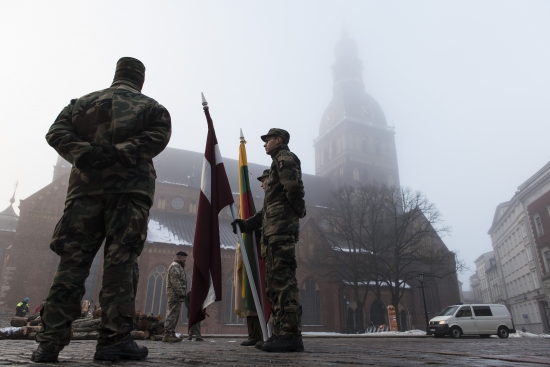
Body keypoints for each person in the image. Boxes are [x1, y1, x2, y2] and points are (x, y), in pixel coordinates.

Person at [31, 57, 171, 363]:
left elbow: (56, 132)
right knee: (121, 266)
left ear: (116, 75)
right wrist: (120, 153)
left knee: (71, 266)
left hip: (84, 194)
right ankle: (113, 342)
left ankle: (49, 344)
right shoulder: (152, 108)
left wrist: (87, 153)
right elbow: (157, 138)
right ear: (140, 80)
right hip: (129, 193)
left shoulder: (81, 104)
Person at [231, 128, 306, 353]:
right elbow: (267, 211)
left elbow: (294, 189)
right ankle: (281, 332)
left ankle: (291, 334)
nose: (265, 144)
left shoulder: (284, 159)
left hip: (280, 232)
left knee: (283, 282)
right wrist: (245, 224)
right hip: (272, 233)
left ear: (279, 140)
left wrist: (295, 213)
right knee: (274, 284)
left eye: (268, 140)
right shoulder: (275, 165)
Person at [240, 169, 270, 347]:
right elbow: (262, 217)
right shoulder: (270, 197)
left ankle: (282, 333)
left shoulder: (279, 194)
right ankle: (259, 334)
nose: (261, 183)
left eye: (264, 179)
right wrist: (245, 225)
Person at [163, 251, 188, 343]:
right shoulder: (175, 266)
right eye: (184, 257)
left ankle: (171, 333)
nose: (185, 260)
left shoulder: (178, 266)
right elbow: (175, 281)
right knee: (172, 314)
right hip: (175, 295)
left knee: (174, 315)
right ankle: (167, 334)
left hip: (176, 295)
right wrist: (180, 292)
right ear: (179, 256)